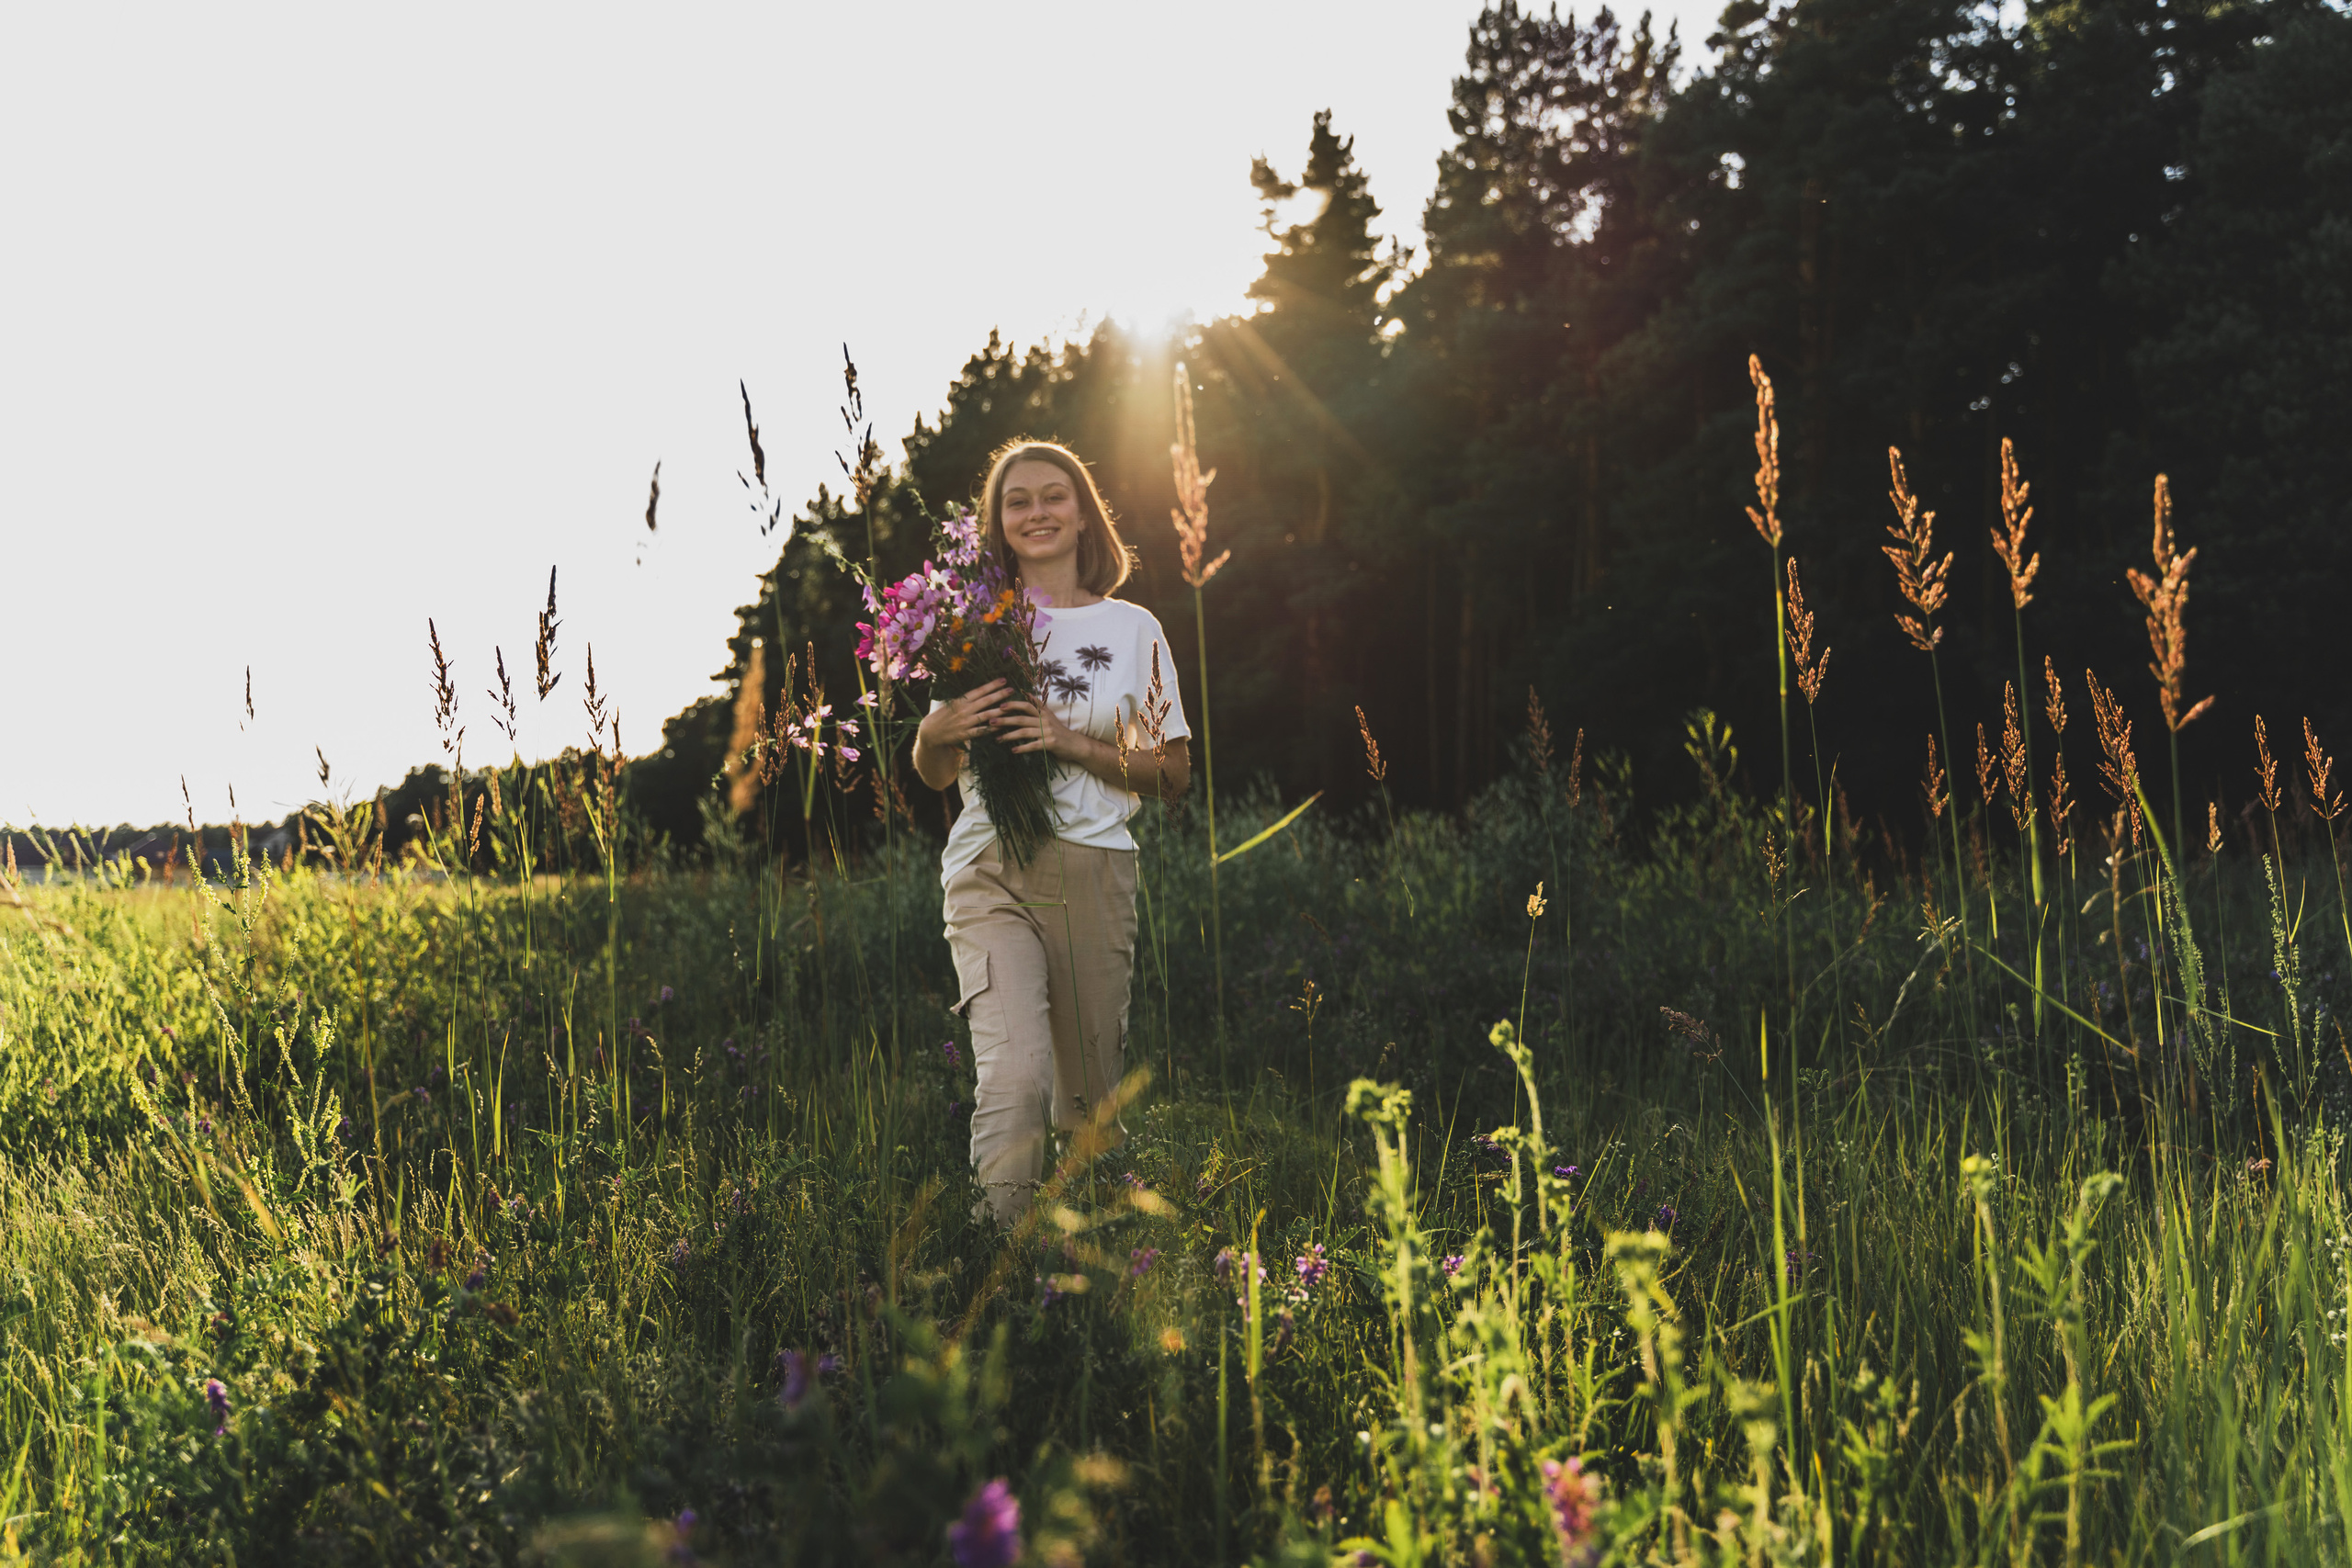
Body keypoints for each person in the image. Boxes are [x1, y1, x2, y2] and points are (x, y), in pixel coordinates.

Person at [911, 441, 1191, 1224]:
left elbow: (1172, 774)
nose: (1036, 512)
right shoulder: (969, 626)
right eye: (1017, 501)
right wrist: (938, 732)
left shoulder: (1135, 629)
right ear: (997, 524)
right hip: (987, 867)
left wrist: (1068, 739)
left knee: (1085, 1103)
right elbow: (935, 770)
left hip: (1094, 870)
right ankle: (992, 1275)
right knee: (1016, 1075)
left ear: (1082, 513)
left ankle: (1081, 1279)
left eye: (1053, 496)